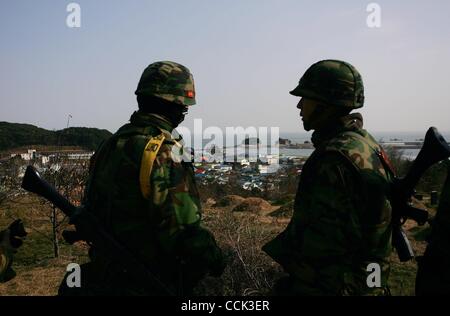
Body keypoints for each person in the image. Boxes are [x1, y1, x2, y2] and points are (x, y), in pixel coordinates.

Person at [59, 61, 225, 296]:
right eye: (184, 107)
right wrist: (216, 258)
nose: (184, 114)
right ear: (174, 105)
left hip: (105, 275)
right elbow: (186, 234)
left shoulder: (110, 144)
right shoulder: (165, 152)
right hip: (147, 282)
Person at [263, 60, 393, 295]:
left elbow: (322, 249)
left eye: (306, 98)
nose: (300, 106)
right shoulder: (366, 144)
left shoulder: (333, 158)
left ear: (326, 104)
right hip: (369, 281)